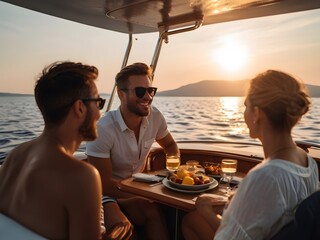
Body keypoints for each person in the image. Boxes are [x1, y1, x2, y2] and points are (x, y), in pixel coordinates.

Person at [182, 70, 319, 240]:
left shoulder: (265, 176)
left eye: (246, 105)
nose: (244, 113)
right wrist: (233, 205)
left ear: (258, 113)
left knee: (191, 221)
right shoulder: (309, 164)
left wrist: (205, 210)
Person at [0, 61, 105, 240]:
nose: (99, 113)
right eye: (98, 102)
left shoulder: (15, 156)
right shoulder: (81, 176)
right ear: (80, 108)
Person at [86, 62, 179, 239]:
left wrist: (173, 174)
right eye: (139, 91)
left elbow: (170, 146)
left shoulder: (155, 116)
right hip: (106, 195)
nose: (147, 97)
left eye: (150, 90)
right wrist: (147, 193)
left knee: (156, 210)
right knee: (126, 229)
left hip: (136, 187)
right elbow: (103, 184)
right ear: (121, 94)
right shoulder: (104, 129)